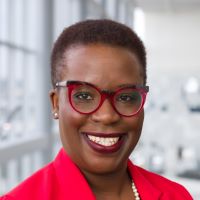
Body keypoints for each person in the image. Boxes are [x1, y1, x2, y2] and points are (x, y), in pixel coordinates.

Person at [0, 19, 193, 200]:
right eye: (84, 96)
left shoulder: (175, 195)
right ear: (56, 103)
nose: (107, 115)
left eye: (126, 97)